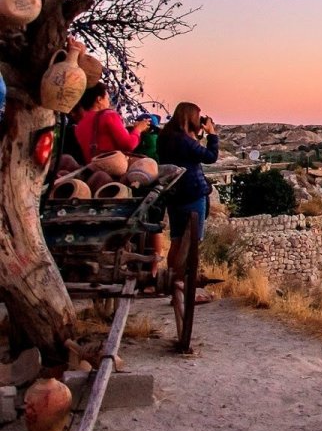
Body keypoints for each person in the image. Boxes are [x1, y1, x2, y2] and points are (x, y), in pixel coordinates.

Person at [158, 102, 219, 301]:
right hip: (192, 194)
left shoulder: (166, 137)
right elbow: (211, 157)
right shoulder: (184, 141)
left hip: (174, 195)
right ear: (191, 118)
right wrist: (212, 134)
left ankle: (174, 286)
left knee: (176, 241)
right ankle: (187, 290)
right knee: (193, 244)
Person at [74, 83, 150, 164]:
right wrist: (138, 129)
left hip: (92, 167)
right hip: (113, 167)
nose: (109, 102)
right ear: (99, 99)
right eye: (107, 97)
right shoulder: (109, 115)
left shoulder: (79, 125)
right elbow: (129, 144)